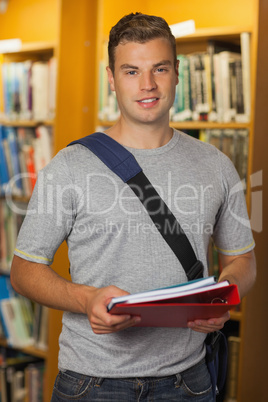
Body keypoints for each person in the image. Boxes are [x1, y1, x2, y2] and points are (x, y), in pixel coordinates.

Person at [10, 12, 256, 402]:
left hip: (188, 382)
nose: (147, 85)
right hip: (92, 383)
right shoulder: (70, 166)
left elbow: (243, 260)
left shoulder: (217, 166)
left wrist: (225, 296)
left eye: (159, 68)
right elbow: (23, 270)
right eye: (130, 71)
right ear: (111, 78)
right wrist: (85, 299)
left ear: (176, 72)